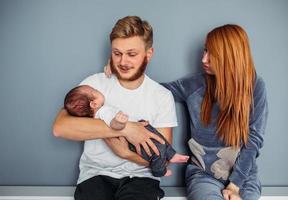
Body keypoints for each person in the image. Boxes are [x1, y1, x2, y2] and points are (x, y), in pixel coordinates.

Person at [53, 16, 178, 200]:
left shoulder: (162, 96)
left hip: (141, 180)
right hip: (95, 176)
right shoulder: (93, 86)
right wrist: (127, 129)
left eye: (131, 54)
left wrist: (124, 153)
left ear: (148, 54)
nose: (123, 62)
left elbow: (163, 157)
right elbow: (60, 127)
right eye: (117, 53)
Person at [162, 24, 268, 200]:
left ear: (230, 57)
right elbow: (153, 91)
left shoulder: (255, 87)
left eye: (213, 54)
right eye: (205, 50)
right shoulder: (195, 85)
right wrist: (120, 76)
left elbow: (254, 140)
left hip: (244, 177)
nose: (204, 59)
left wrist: (234, 186)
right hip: (203, 175)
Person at [63, 85, 189, 177]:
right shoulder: (103, 111)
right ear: (93, 104)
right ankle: (160, 170)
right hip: (130, 140)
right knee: (156, 149)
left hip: (136, 128)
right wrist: (120, 122)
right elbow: (113, 125)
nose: (98, 90)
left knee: (158, 142)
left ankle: (171, 155)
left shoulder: (96, 116)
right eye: (95, 91)